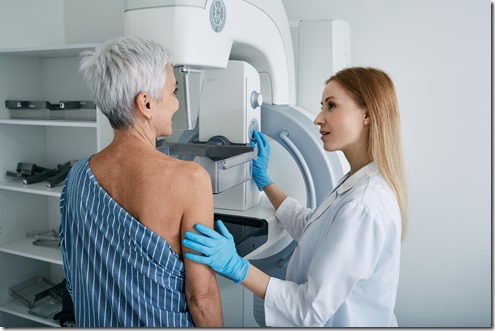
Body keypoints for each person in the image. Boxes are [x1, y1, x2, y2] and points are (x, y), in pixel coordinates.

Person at [182, 66, 408, 327]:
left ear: (367, 115)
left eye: (331, 106)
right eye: (322, 106)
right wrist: (265, 181)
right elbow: (313, 228)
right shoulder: (359, 182)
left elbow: (309, 310)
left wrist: (237, 267)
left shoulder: (363, 205)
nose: (318, 118)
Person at [58, 36, 223, 327]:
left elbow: (73, 272)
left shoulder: (77, 176)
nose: (176, 103)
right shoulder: (190, 179)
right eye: (173, 91)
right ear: (146, 103)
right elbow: (201, 297)